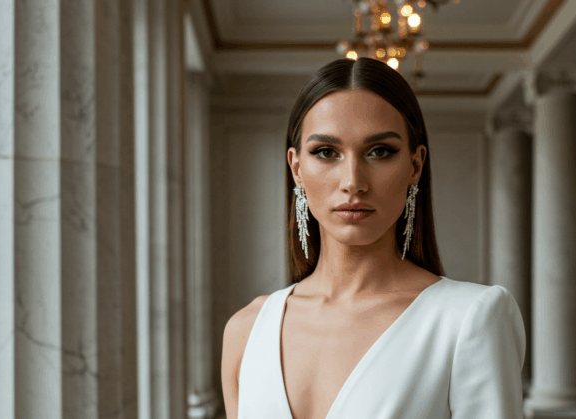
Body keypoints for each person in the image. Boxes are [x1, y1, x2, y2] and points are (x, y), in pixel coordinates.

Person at [220, 57, 526, 419]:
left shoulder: (468, 321)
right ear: (297, 168)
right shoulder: (246, 330)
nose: (353, 181)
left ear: (415, 166)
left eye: (379, 152)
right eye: (326, 152)